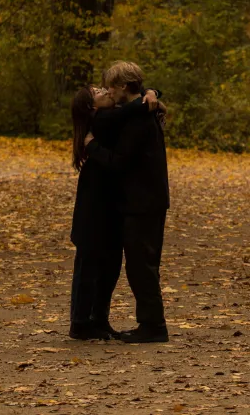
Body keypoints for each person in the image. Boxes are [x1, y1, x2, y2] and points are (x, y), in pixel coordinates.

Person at [84, 61, 170, 344]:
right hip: (146, 199)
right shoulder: (141, 111)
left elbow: (121, 162)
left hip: (142, 201)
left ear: (123, 87)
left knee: (141, 264)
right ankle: (150, 323)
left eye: (111, 86)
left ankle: (153, 325)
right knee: (142, 263)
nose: (108, 91)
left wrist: (92, 147)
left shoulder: (138, 119)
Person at [68, 84, 161, 341]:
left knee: (108, 266)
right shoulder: (101, 119)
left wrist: (152, 91)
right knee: (88, 266)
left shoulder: (109, 117)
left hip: (109, 204)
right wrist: (148, 96)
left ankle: (98, 318)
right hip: (93, 206)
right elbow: (132, 108)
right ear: (92, 106)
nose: (105, 91)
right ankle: (80, 321)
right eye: (98, 91)